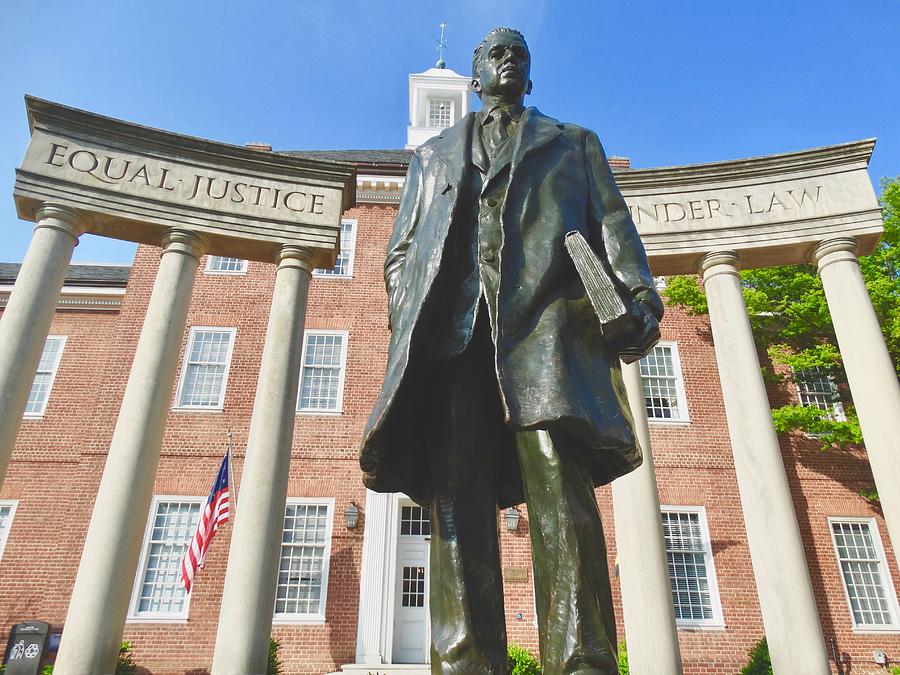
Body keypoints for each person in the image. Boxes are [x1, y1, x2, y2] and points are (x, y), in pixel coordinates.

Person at [360, 27, 663, 674]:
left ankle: (583, 660)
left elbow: (614, 225)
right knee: (457, 500)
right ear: (475, 76)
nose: (508, 60)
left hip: (548, 330)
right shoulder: (434, 154)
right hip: (454, 337)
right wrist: (407, 310)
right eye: (495, 53)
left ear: (531, 75)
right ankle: (465, 660)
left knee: (562, 497)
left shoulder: (572, 143)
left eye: (519, 54)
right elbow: (401, 252)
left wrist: (640, 298)